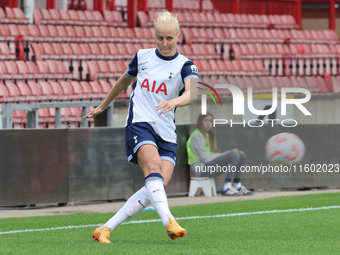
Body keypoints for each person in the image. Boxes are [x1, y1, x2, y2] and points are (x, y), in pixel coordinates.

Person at [84, 11, 199, 243]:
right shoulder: (142, 56)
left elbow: (193, 93)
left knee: (156, 187)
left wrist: (174, 102)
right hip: (140, 123)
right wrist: (103, 106)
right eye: (160, 38)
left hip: (166, 132)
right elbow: (123, 81)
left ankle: (104, 228)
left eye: (169, 38)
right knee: (154, 171)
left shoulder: (185, 65)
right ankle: (169, 220)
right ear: (153, 36)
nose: (165, 44)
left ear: (178, 36)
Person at [187, 112, 254, 196]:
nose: (208, 123)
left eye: (211, 121)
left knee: (241, 154)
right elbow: (205, 159)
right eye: (206, 120)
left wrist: (223, 154)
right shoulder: (196, 136)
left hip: (206, 166)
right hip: (199, 169)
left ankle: (237, 185)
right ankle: (227, 187)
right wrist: (224, 154)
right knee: (234, 155)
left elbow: (210, 156)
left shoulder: (206, 135)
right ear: (200, 122)